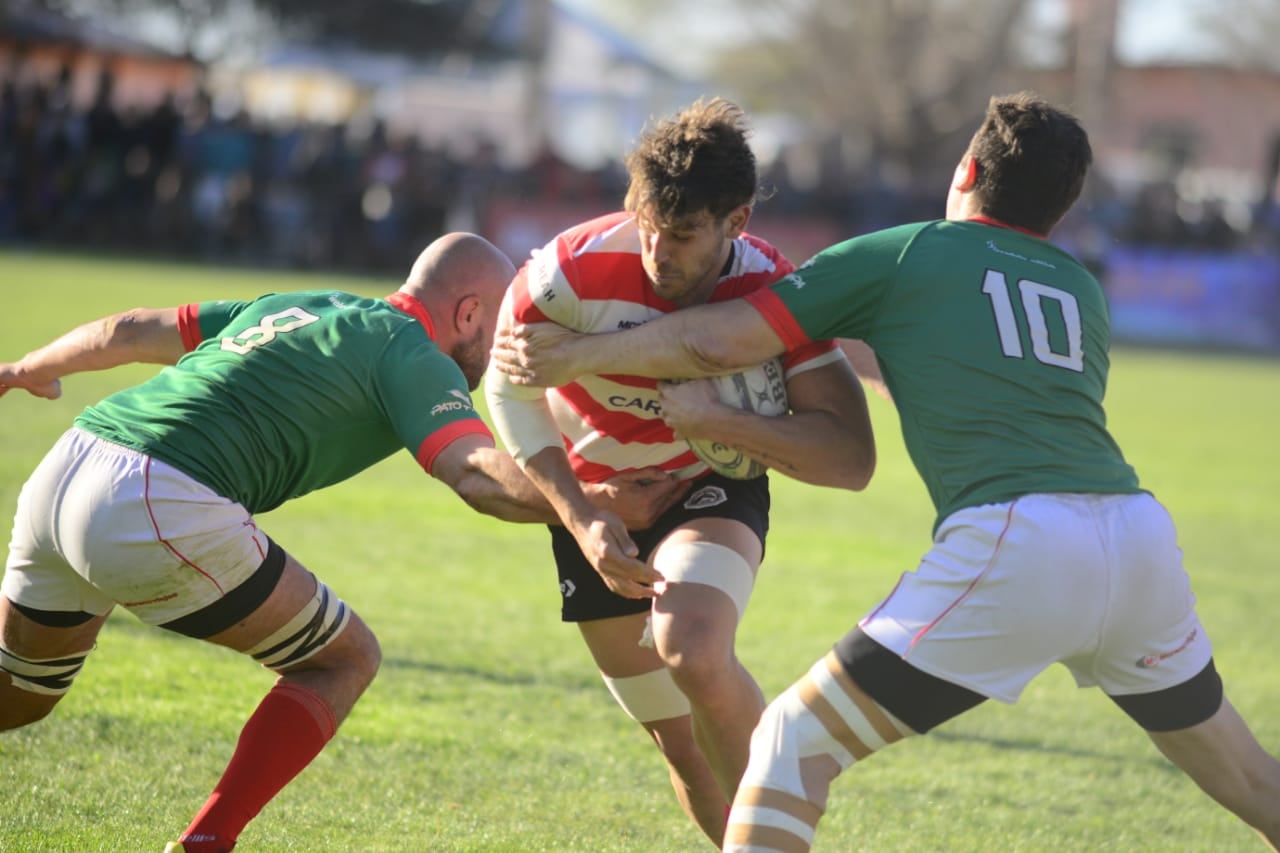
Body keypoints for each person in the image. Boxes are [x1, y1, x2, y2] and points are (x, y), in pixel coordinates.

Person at [491, 92, 1280, 851]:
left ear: (965, 172)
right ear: (1061, 209)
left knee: (789, 745)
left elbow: (720, 342)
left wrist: (575, 356)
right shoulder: (1080, 289)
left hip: (1022, 539)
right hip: (1138, 538)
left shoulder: (909, 252)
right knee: (1252, 780)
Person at [0, 232, 685, 853]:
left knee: (23, 695)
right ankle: (207, 841)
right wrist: (582, 508)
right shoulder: (413, 353)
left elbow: (132, 327)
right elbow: (476, 475)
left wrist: (31, 365)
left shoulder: (301, 302)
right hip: (155, 495)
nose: (506, 345)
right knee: (344, 659)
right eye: (503, 324)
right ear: (471, 313)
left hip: (68, 464)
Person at [483, 97, 877, 846]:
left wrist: (723, 424)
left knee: (691, 647)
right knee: (686, 753)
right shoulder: (565, 275)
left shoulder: (774, 290)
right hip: (593, 497)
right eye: (649, 227)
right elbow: (510, 388)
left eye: (685, 234)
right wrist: (580, 512)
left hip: (711, 485)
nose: (659, 253)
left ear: (738, 219)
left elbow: (852, 460)